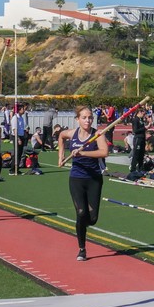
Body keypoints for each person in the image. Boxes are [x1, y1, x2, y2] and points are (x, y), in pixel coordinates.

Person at [58, 106, 109, 261]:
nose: (87, 120)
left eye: (90, 118)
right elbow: (60, 136)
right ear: (77, 119)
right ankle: (82, 249)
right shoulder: (72, 134)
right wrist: (61, 156)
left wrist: (83, 152)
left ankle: (83, 225)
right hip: (77, 179)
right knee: (81, 212)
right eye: (84, 117)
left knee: (92, 219)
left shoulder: (97, 134)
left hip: (94, 179)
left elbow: (104, 152)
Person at [130, 106, 147, 175]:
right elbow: (135, 130)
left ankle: (140, 168)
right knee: (136, 154)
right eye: (143, 113)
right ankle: (133, 169)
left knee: (141, 154)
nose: (144, 115)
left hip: (142, 138)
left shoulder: (141, 119)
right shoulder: (135, 120)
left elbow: (142, 128)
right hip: (138, 138)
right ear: (139, 112)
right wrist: (144, 128)